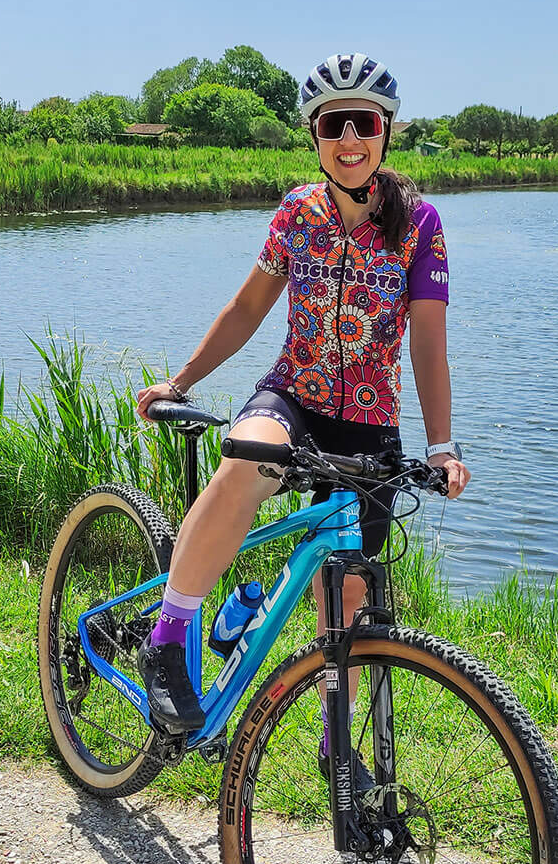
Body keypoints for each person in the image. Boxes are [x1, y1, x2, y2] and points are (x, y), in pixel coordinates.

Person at [135, 52, 470, 747]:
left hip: (371, 422)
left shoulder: (420, 224)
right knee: (248, 457)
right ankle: (166, 641)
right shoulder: (297, 212)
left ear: (386, 132)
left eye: (364, 123)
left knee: (347, 597)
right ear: (314, 136)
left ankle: (335, 737)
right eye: (333, 125)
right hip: (294, 393)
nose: (349, 139)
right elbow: (247, 308)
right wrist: (182, 381)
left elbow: (428, 345)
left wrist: (442, 446)